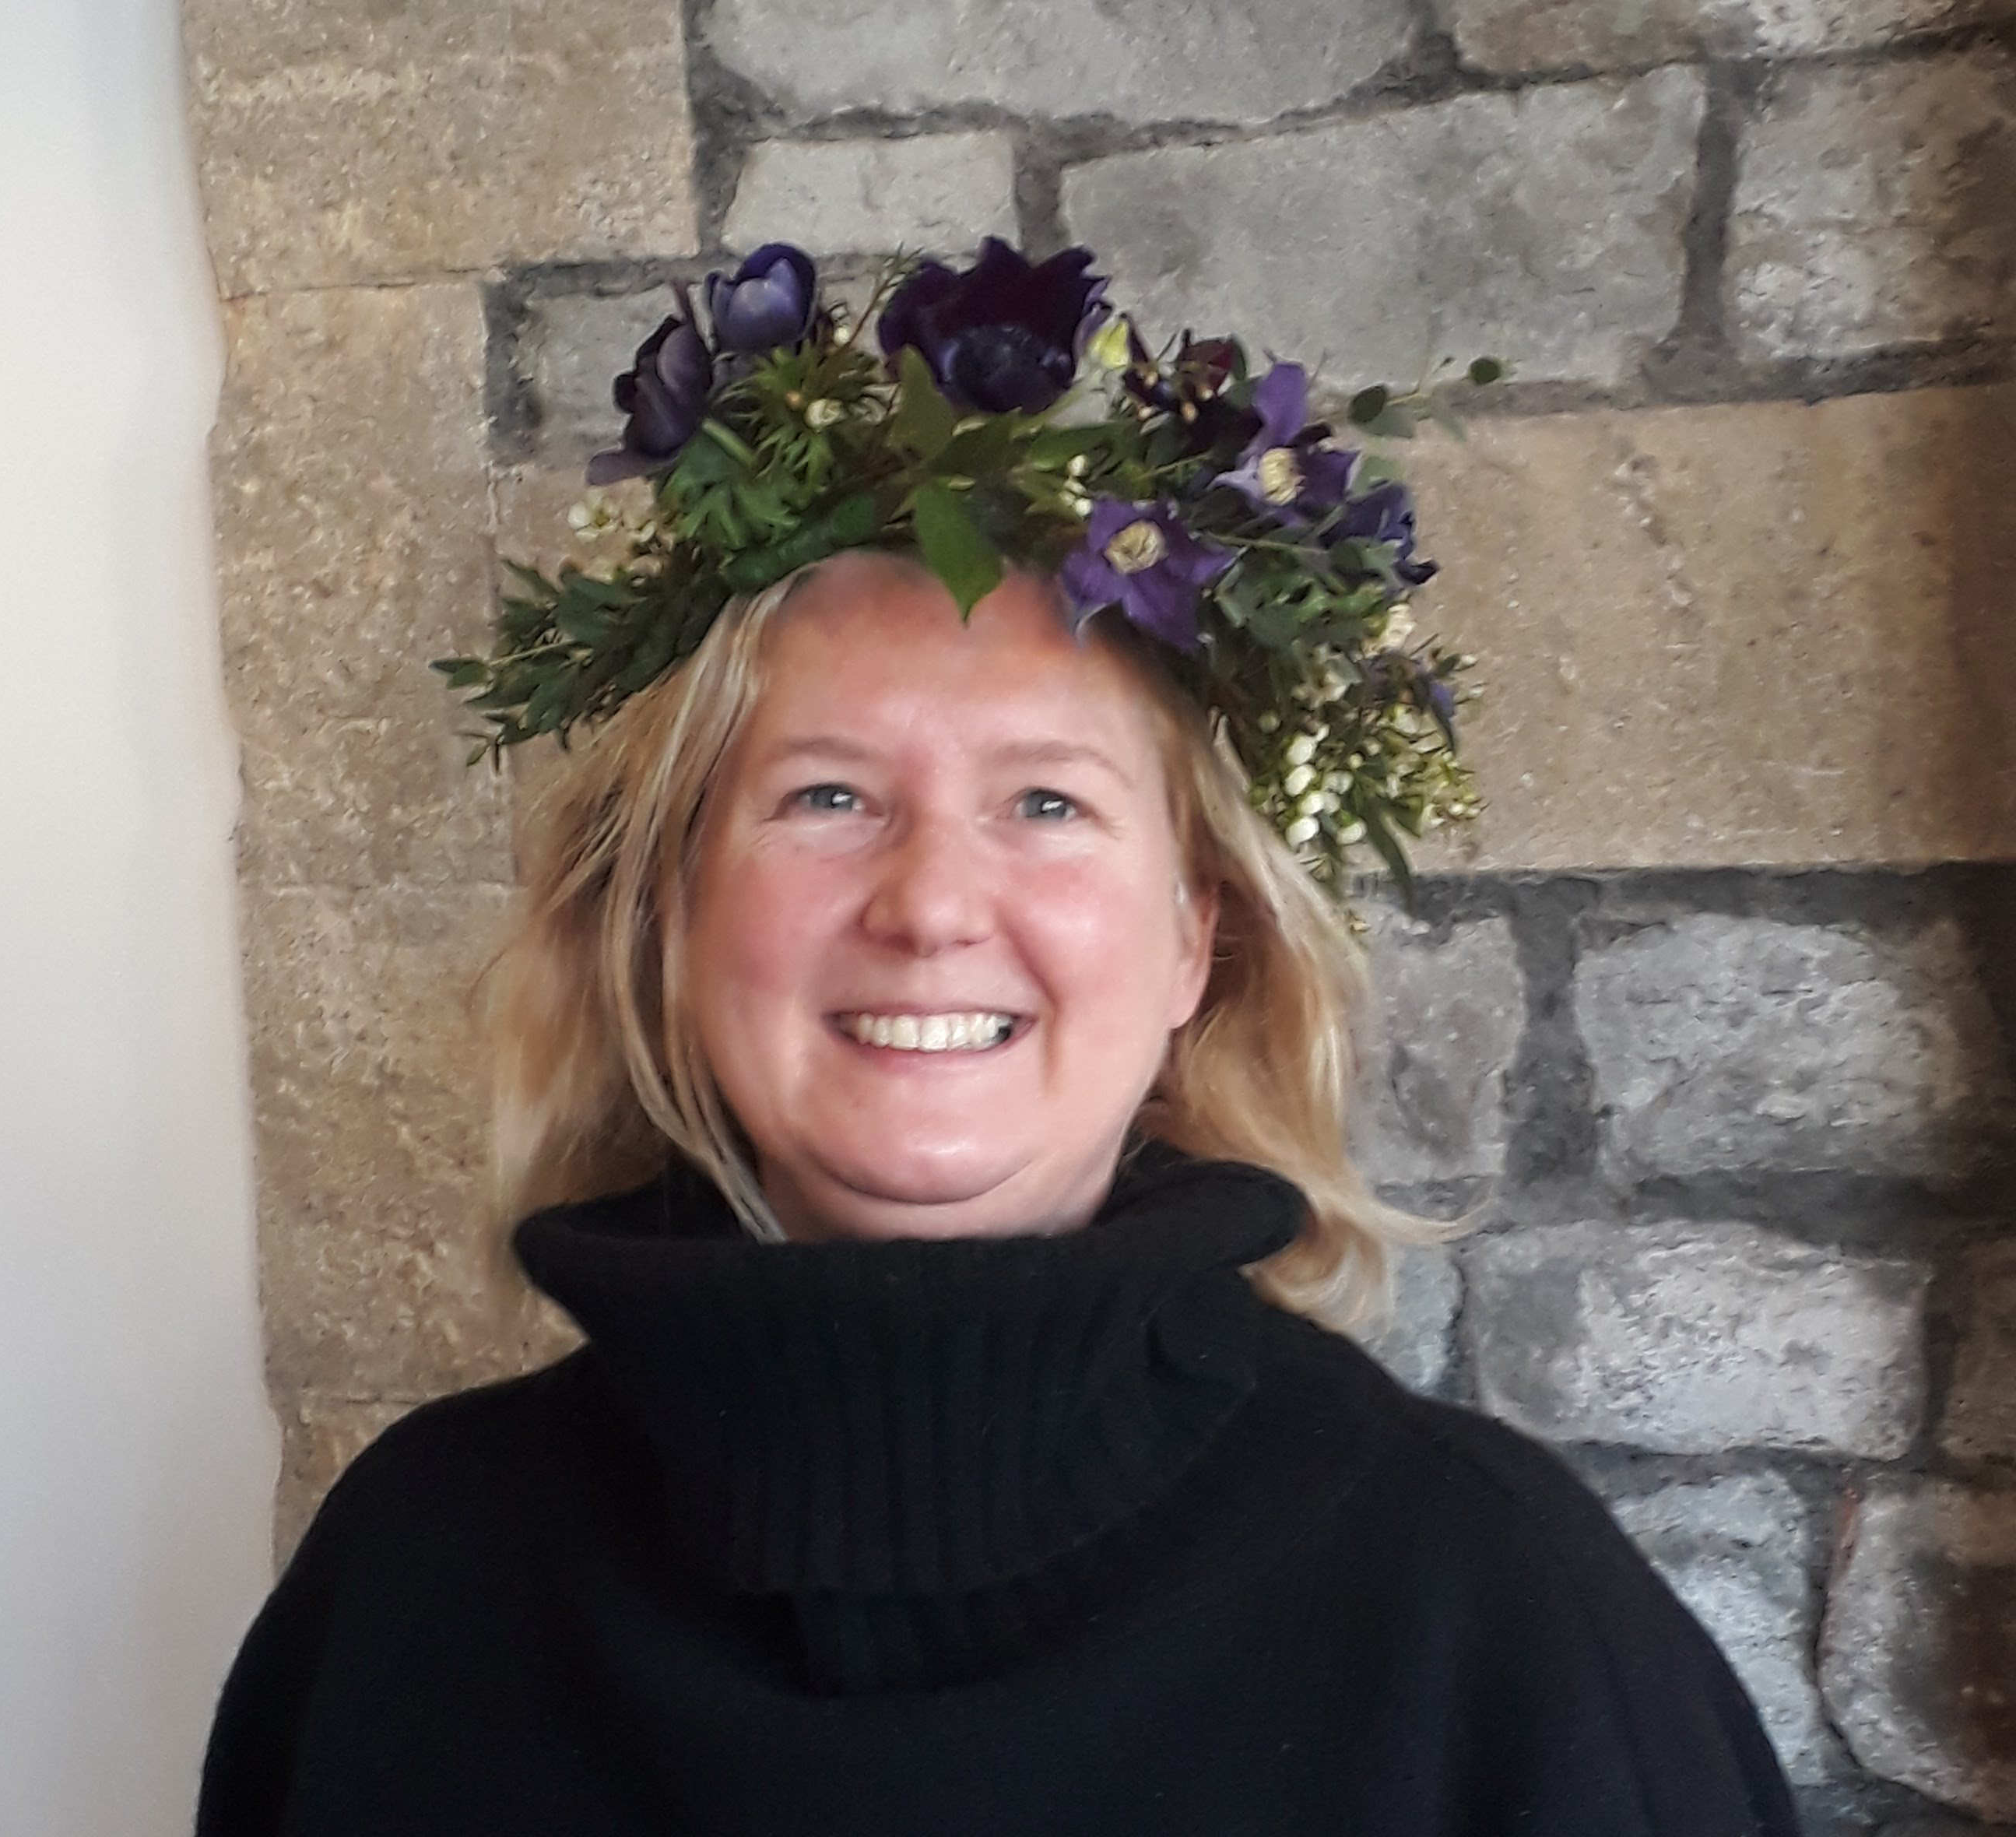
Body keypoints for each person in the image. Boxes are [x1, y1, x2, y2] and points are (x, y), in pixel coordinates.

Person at [196, 244, 1800, 1836]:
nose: (930, 905)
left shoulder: (1497, 1622)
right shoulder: (413, 1581)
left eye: (1044, 803)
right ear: (668, 922)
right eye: (828, 795)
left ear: (1194, 941)